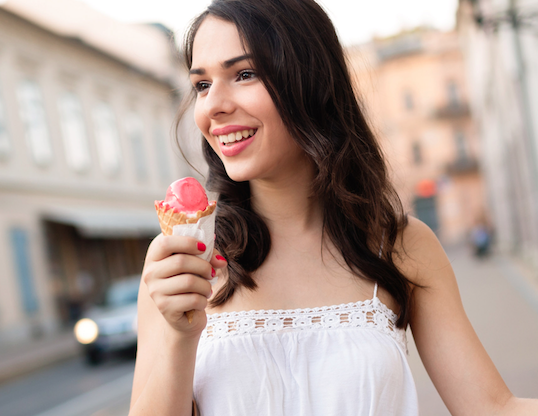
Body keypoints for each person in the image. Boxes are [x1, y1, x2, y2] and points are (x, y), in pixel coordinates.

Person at [129, 1, 538, 415]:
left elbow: (493, 407)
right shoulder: (180, 265)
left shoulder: (399, 245)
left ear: (310, 81)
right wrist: (180, 339)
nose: (213, 105)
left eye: (245, 74)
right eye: (202, 85)